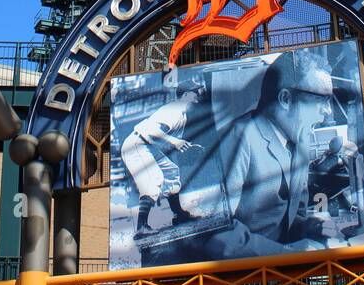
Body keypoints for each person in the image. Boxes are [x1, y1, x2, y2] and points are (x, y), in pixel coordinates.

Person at [210, 58, 341, 257]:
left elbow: (295, 217)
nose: (328, 112)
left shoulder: (301, 142)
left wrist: (313, 227)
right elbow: (218, 232)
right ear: (286, 99)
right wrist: (285, 253)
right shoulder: (238, 137)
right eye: (321, 99)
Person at [120, 83, 204, 240]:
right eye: (195, 92)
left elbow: (166, 140)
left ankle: (179, 215)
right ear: (185, 94)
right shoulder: (174, 110)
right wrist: (174, 141)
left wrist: (185, 145)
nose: (198, 94)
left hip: (148, 145)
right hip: (137, 144)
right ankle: (141, 228)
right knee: (153, 180)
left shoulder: (182, 113)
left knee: (171, 172)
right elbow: (150, 130)